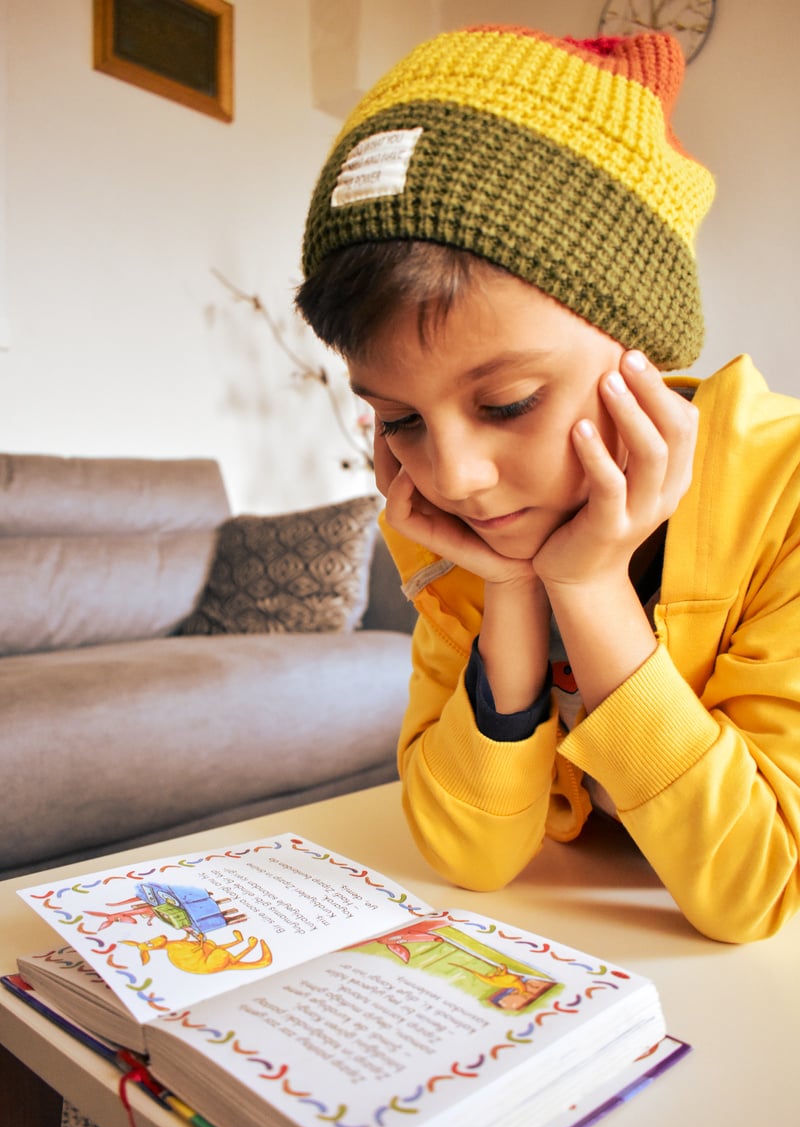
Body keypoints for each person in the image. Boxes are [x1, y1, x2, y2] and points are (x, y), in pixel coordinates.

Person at [296, 25, 800, 943]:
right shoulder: (438, 519)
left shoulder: (787, 493)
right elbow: (468, 856)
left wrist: (590, 587)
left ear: (643, 358)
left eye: (511, 403)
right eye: (399, 419)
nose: (455, 477)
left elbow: (753, 889)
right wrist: (511, 584)